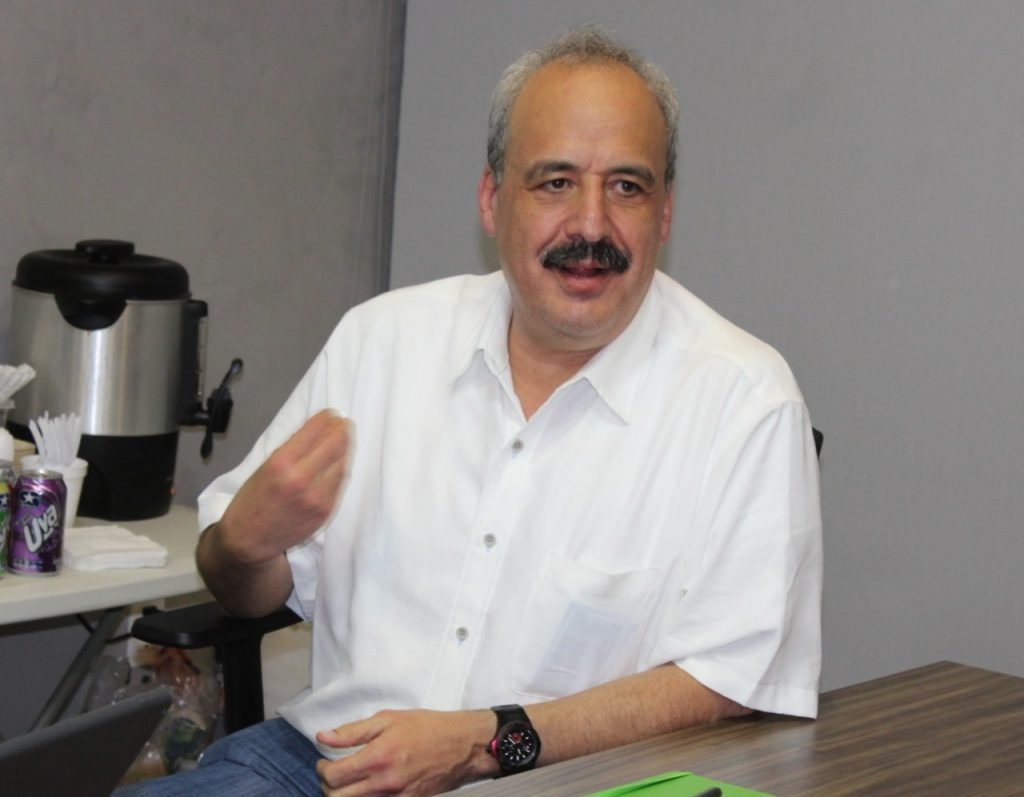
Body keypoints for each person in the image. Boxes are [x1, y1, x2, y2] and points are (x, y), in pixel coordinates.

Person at [117, 24, 822, 797]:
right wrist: (243, 546)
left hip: (561, 784)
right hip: (323, 765)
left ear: (665, 212)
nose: (592, 224)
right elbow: (243, 587)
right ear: (493, 199)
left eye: (627, 186)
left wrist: (486, 742)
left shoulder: (744, 400)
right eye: (555, 182)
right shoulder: (383, 340)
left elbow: (727, 683)